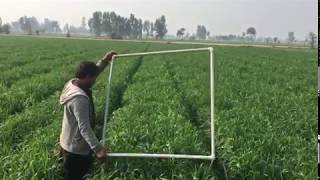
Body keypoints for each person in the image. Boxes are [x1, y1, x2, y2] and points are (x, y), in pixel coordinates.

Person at [59, 51, 117, 180]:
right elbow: (84, 127)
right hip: (75, 150)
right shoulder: (79, 99)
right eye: (93, 78)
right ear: (86, 76)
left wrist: (104, 61)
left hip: (68, 141)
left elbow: (93, 72)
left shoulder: (72, 83)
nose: (95, 80)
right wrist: (98, 149)